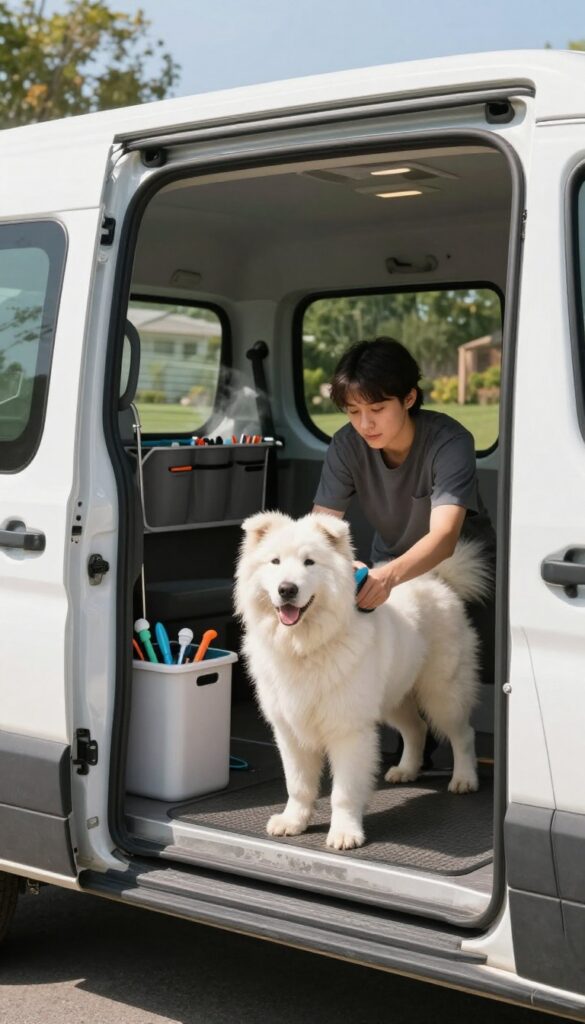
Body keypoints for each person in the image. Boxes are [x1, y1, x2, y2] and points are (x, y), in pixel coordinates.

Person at [313, 336, 496, 686]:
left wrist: (387, 579)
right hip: (390, 567)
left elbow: (444, 538)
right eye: (353, 412)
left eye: (377, 409)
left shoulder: (450, 441)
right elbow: (322, 529)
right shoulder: (346, 445)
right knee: (394, 681)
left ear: (409, 398)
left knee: (453, 684)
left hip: (462, 571)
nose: (365, 424)